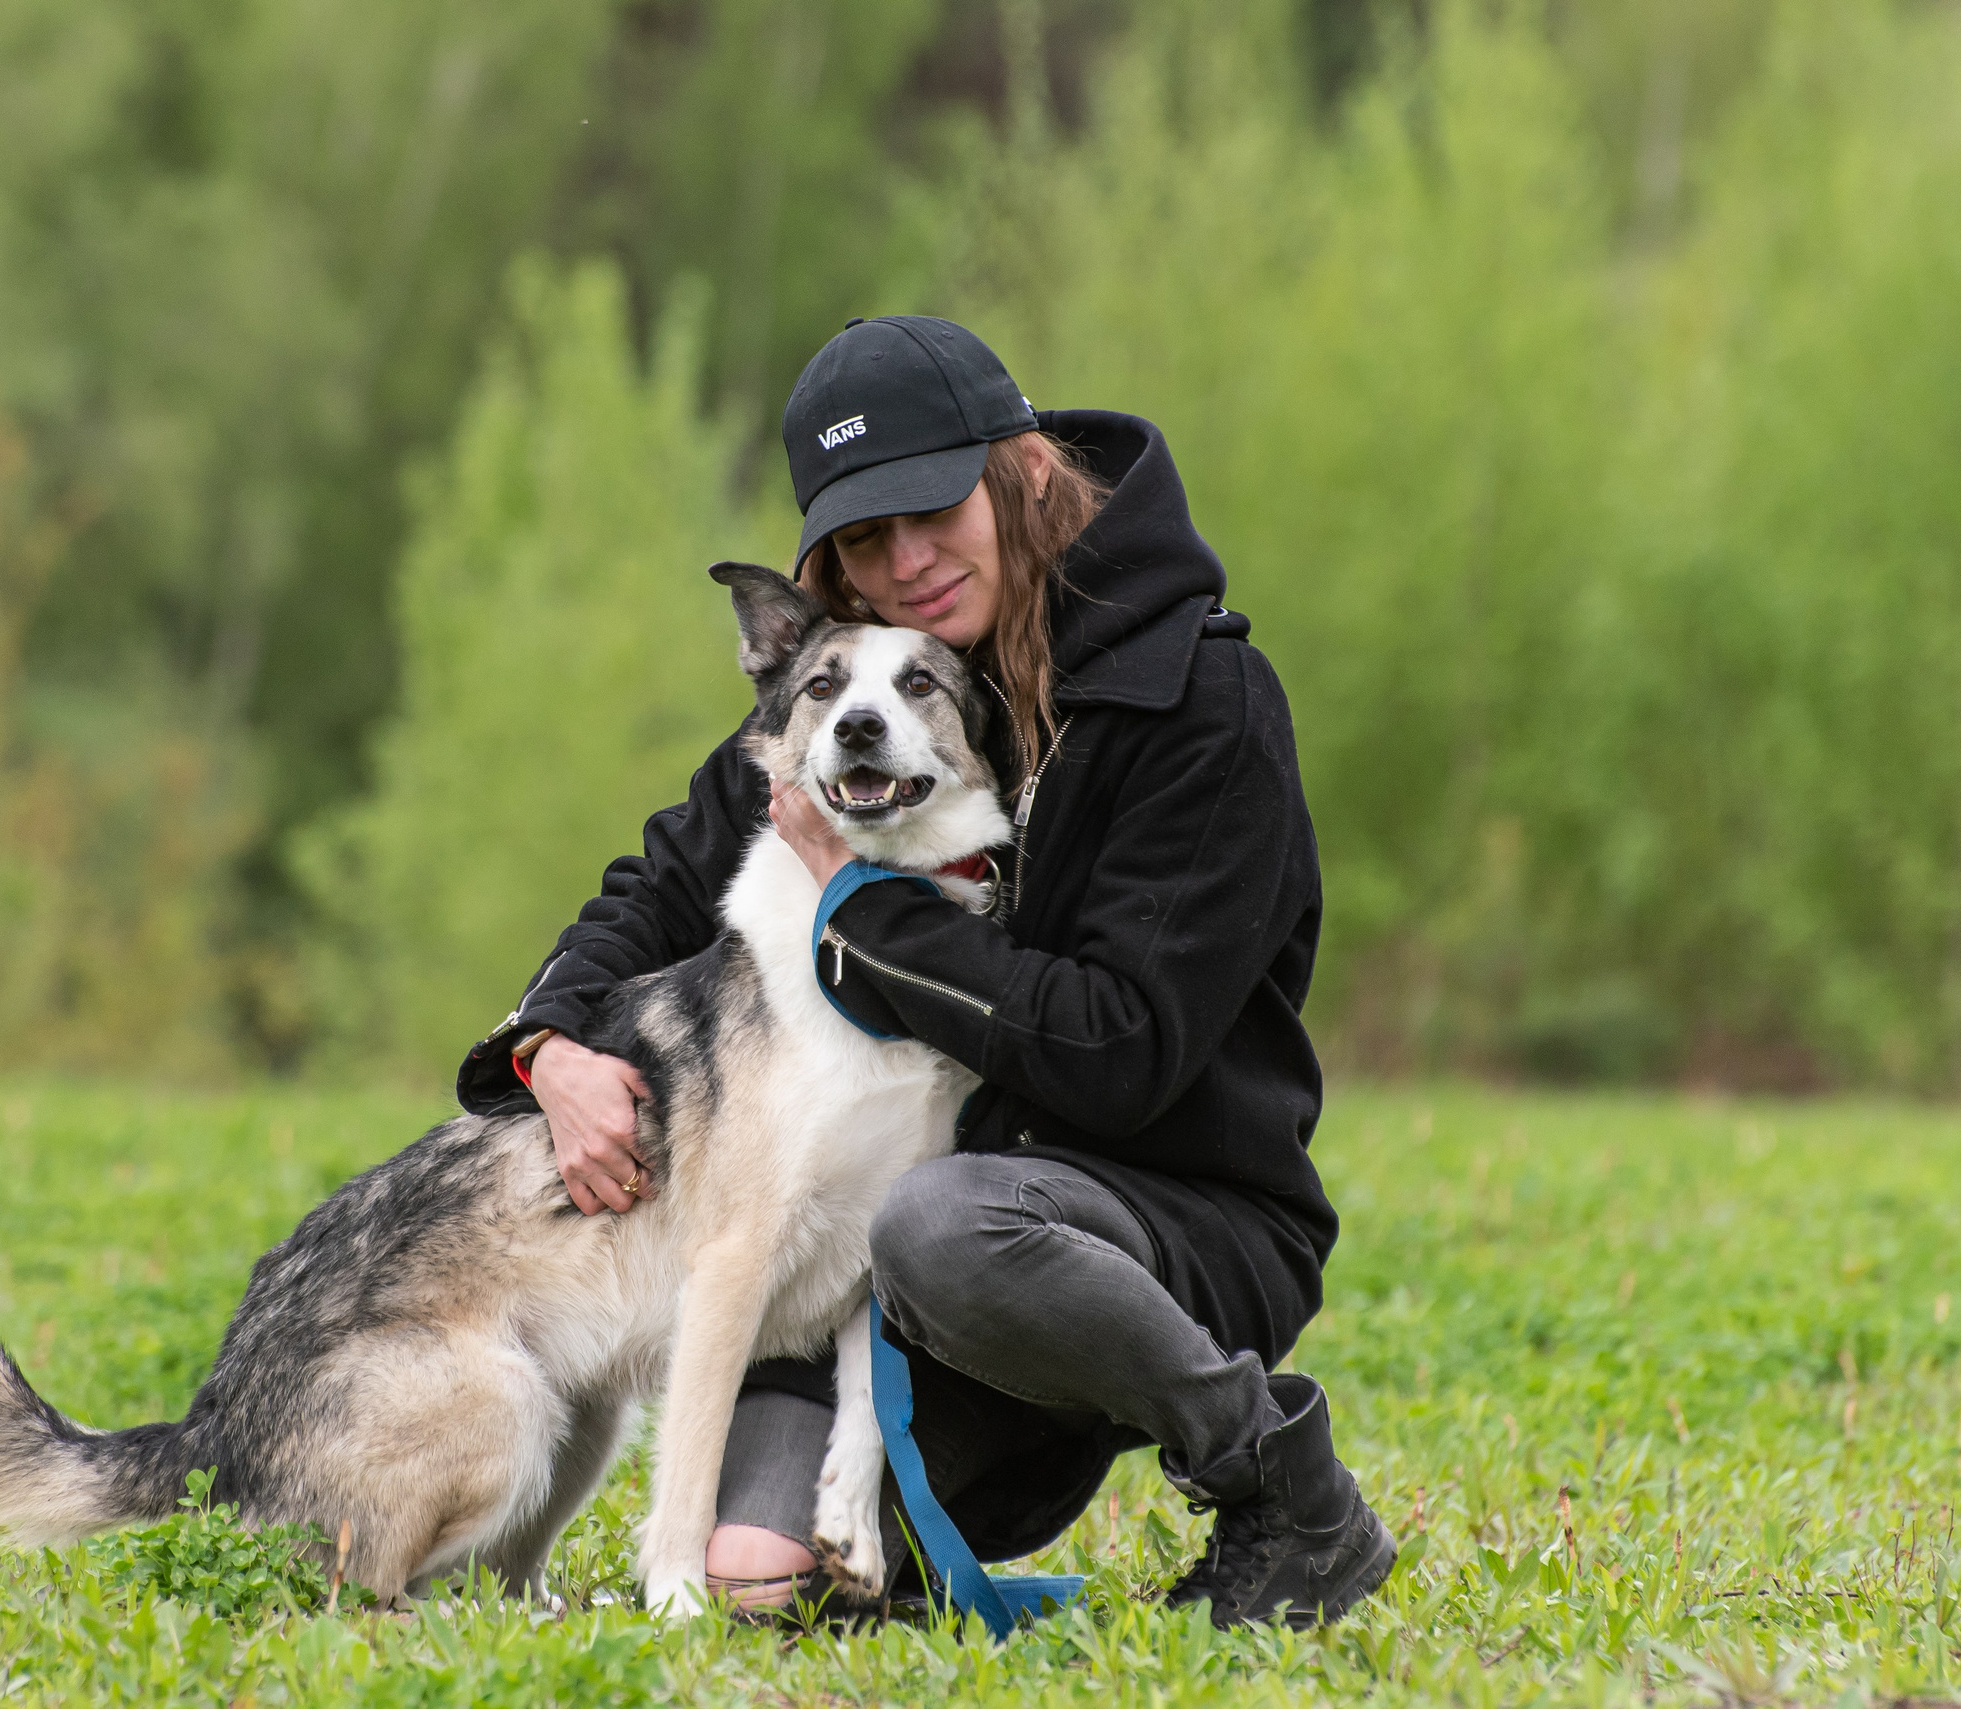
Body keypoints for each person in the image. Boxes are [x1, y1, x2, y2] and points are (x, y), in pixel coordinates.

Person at [453, 315, 1395, 1629]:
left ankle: (1281, 1486)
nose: (904, 564)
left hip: (1168, 1213)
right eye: (860, 541)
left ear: (1018, 465)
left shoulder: (1205, 707)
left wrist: (859, 905)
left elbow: (1117, 1051)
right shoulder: (865, 694)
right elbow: (663, 883)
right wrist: (546, 1045)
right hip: (880, 1266)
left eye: (930, 509)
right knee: (759, 1582)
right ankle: (899, 1516)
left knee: (944, 1221)